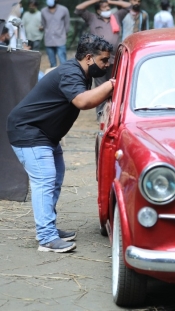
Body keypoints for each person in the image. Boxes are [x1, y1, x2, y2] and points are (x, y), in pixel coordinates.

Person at [6, 34, 115, 253]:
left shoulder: (80, 73)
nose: (107, 64)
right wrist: (112, 84)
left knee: (54, 179)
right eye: (103, 60)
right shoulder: (71, 73)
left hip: (45, 135)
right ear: (88, 58)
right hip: (29, 132)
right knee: (45, 181)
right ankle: (46, 238)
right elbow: (83, 101)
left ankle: (49, 229)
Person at [75, 0, 131, 119]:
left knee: (115, 85)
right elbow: (79, 9)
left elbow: (129, 6)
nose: (107, 9)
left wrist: (109, 0)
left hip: (115, 58)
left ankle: (115, 113)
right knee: (100, 87)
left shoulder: (115, 17)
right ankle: (101, 115)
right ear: (98, 10)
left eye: (108, 7)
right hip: (98, 59)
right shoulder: (92, 18)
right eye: (104, 7)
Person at [41, 0, 70, 68]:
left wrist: (65, 34)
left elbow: (67, 23)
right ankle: (54, 78)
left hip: (60, 39)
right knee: (52, 64)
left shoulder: (64, 10)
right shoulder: (43, 11)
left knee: (63, 62)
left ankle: (65, 77)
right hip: (49, 40)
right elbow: (43, 24)